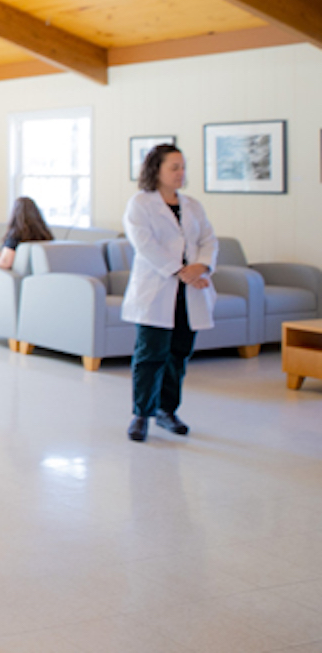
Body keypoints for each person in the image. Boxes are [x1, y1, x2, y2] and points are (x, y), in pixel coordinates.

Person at [121, 144, 216, 442]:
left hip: (189, 293)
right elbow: (145, 244)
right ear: (156, 170)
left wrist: (200, 266)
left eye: (183, 167)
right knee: (151, 354)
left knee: (178, 355)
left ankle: (167, 410)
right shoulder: (140, 204)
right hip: (157, 289)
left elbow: (208, 239)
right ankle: (142, 414)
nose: (180, 173)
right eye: (174, 167)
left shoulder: (192, 205)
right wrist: (180, 270)